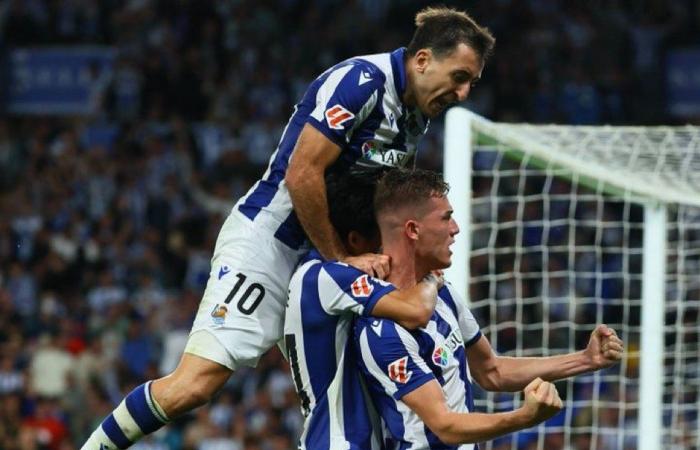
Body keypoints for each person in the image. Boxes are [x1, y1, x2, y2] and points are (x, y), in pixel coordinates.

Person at [82, 6, 495, 449]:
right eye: (459, 76)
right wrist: (341, 261)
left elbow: (383, 204)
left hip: (327, 257)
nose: (464, 92)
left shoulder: (416, 116)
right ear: (423, 60)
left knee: (350, 400)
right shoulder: (361, 83)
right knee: (196, 385)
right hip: (273, 244)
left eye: (471, 82)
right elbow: (303, 173)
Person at [354, 168, 624, 449]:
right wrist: (524, 417)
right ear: (413, 230)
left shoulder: (441, 292)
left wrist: (585, 360)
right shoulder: (381, 329)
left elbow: (491, 371)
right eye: (446, 218)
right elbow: (444, 425)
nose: (455, 228)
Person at [284, 168, 444, 450]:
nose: (387, 248)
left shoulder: (312, 275)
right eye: (381, 237)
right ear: (356, 241)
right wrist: (432, 277)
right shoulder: (327, 276)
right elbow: (417, 309)